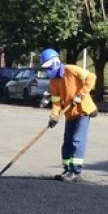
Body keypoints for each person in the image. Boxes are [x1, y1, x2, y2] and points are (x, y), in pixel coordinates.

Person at [40, 48, 98, 182]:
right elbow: (56, 101)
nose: (48, 70)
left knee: (77, 140)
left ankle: (75, 171)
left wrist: (80, 94)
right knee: (67, 142)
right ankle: (67, 169)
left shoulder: (71, 69)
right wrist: (54, 116)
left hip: (83, 111)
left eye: (48, 67)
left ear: (55, 62)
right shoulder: (53, 81)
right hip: (69, 114)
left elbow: (91, 77)